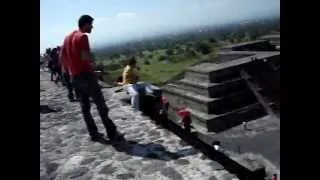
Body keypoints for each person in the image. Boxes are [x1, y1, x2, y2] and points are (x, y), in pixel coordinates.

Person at [61, 14, 123, 142]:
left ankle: (94, 134)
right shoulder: (82, 36)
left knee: (85, 108)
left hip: (75, 78)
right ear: (85, 24)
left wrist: (70, 70)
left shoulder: (67, 38)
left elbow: (62, 57)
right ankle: (112, 133)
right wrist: (94, 71)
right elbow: (86, 57)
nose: (92, 27)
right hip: (86, 77)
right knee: (101, 106)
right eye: (91, 24)